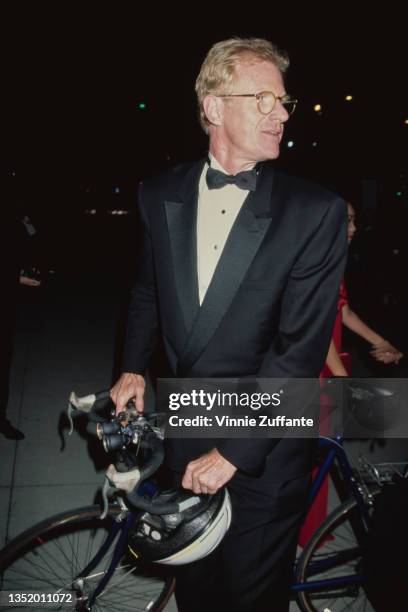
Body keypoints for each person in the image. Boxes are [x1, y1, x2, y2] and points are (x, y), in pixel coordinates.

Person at [110, 38, 348, 612]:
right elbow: (146, 290)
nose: (283, 113)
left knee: (249, 595)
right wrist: (133, 367)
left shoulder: (315, 212)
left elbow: (297, 353)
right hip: (185, 423)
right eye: (263, 98)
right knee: (196, 586)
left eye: (284, 100)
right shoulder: (158, 192)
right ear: (214, 107)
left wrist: (234, 451)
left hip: (263, 445)